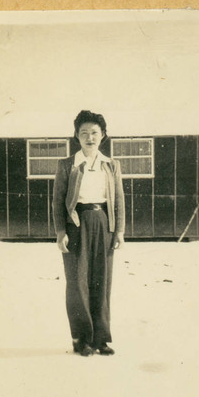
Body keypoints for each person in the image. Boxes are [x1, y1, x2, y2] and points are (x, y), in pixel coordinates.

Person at [52, 110, 125, 357]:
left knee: (101, 281)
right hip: (76, 224)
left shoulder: (111, 165)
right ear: (76, 136)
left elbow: (119, 201)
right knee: (77, 282)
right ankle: (81, 338)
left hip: (103, 224)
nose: (89, 137)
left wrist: (119, 232)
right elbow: (57, 201)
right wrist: (61, 231)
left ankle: (101, 339)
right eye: (84, 133)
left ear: (103, 135)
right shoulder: (67, 165)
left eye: (94, 132)